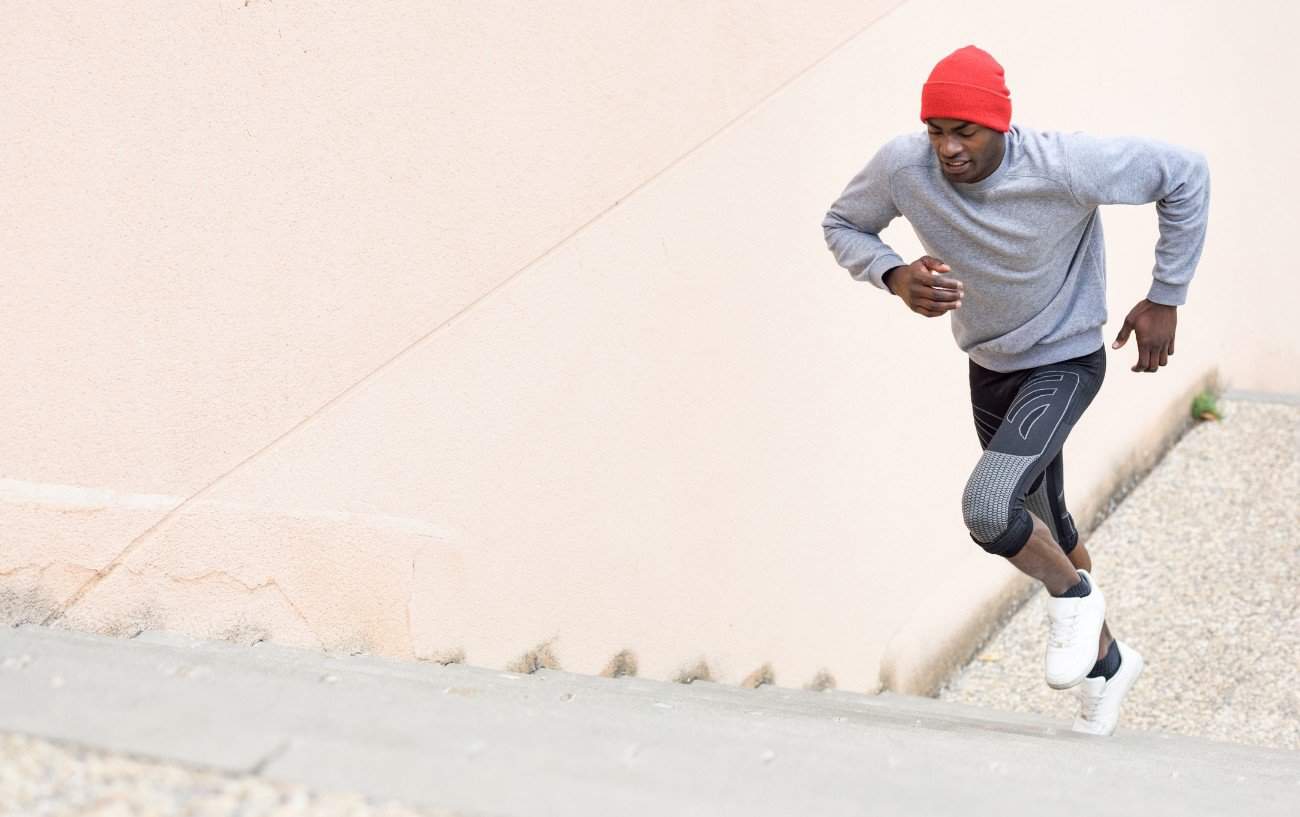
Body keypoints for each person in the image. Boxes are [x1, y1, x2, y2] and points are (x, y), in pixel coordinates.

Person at [821, 45, 1210, 735]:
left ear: (1001, 125)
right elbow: (844, 224)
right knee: (1048, 528)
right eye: (935, 128)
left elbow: (1186, 174)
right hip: (990, 365)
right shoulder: (902, 167)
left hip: (1063, 361)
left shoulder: (1065, 163)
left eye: (963, 131)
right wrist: (893, 274)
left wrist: (1165, 295)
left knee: (988, 505)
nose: (946, 147)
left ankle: (1073, 596)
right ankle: (1109, 663)